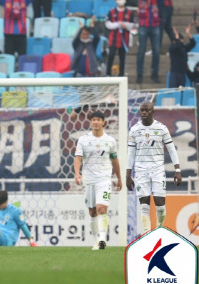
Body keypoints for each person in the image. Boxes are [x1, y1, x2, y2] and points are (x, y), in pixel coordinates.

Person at [127, 101, 181, 235]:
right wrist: (128, 175)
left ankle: (158, 230)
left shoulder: (161, 128)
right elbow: (131, 153)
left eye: (147, 110)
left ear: (153, 111)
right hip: (141, 170)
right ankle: (147, 234)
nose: (144, 113)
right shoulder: (134, 130)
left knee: (160, 204)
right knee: (144, 204)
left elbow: (171, 149)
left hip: (157, 169)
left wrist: (177, 170)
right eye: (142, 110)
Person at [74, 111, 122, 250]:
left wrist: (119, 178)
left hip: (104, 180)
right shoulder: (83, 140)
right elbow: (78, 158)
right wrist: (77, 174)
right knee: (92, 211)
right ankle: (96, 240)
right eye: (93, 119)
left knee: (101, 209)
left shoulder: (110, 141)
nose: (96, 122)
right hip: (88, 180)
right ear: (90, 122)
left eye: (98, 120)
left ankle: (102, 238)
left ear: (103, 122)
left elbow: (115, 160)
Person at [137, 0, 161, 84]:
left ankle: (155, 72)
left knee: (156, 50)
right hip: (143, 24)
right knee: (141, 50)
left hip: (155, 24)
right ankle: (139, 73)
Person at [105, 0, 135, 76]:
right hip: (113, 38)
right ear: (116, 0)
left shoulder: (129, 12)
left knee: (122, 57)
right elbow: (107, 24)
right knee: (111, 56)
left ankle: (121, 75)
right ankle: (108, 73)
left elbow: (132, 25)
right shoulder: (111, 12)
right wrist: (117, 24)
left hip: (124, 39)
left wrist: (126, 25)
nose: (121, 0)